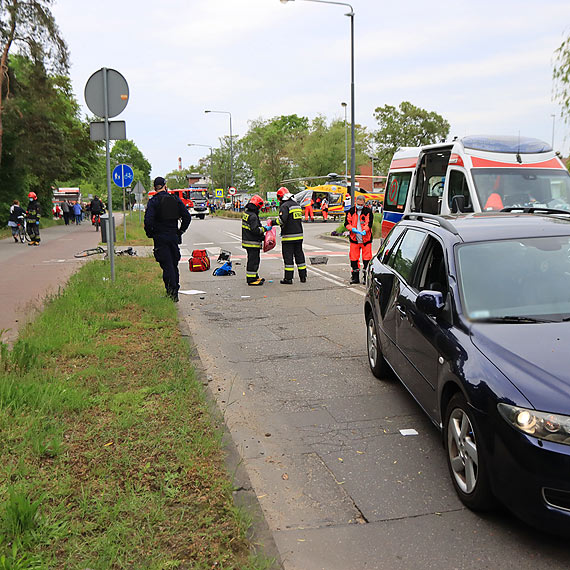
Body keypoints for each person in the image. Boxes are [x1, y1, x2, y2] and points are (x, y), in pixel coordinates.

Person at [144, 176, 191, 302]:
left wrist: (150, 233)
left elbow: (148, 221)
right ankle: (175, 291)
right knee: (174, 264)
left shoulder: (153, 201)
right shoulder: (175, 199)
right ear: (165, 186)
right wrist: (180, 231)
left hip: (160, 238)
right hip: (173, 237)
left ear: (155, 188)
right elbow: (187, 217)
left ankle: (171, 293)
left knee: (167, 265)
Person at [272, 186, 307, 284]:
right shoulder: (296, 205)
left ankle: (288, 278)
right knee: (300, 256)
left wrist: (272, 222)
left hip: (288, 237)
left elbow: (282, 220)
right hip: (299, 235)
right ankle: (303, 276)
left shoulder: (285, 206)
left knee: (288, 258)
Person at [345, 194, 373, 284]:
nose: (360, 205)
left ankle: (366, 277)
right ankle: (355, 278)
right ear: (356, 202)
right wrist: (352, 229)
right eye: (358, 203)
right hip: (354, 239)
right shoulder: (351, 211)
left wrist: (365, 230)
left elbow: (369, 223)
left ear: (364, 203)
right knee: (353, 259)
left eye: (361, 204)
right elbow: (346, 223)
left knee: (367, 259)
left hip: (366, 240)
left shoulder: (368, 212)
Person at [241, 194, 270, 286]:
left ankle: (255, 276)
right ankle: (251, 279)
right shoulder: (253, 216)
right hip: (252, 243)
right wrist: (264, 229)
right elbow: (255, 230)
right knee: (253, 261)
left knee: (253, 260)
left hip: (248, 241)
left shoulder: (247, 214)